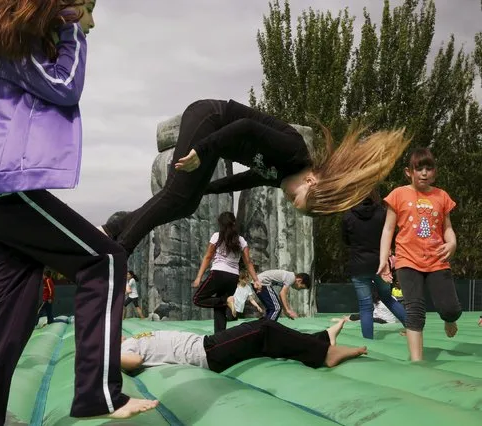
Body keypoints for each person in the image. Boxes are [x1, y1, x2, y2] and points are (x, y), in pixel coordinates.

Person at [0, 1, 157, 423]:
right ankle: (98, 394)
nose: (91, 22)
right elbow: (66, 85)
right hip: (3, 189)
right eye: (86, 9)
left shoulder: (21, 47)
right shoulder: (17, 49)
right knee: (106, 260)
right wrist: (71, 29)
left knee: (12, 315)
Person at [100, 100, 410, 255]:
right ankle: (118, 253)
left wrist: (207, 188)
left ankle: (112, 228)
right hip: (211, 118)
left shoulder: (283, 174)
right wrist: (201, 150)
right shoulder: (292, 151)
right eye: (293, 199)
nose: (287, 197)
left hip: (213, 136)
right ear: (311, 181)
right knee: (177, 197)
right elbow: (245, 127)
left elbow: (246, 180)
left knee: (185, 203)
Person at [378, 148, 462, 361]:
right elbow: (388, 229)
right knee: (414, 308)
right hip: (407, 259)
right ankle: (417, 361)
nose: (424, 173)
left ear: (435, 172)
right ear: (409, 172)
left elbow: (447, 227)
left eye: (429, 168)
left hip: (437, 260)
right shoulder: (398, 194)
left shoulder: (441, 196)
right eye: (419, 168)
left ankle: (449, 318)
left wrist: (452, 242)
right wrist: (384, 259)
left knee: (450, 308)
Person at [120, 318, 366, 374]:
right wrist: (105, 354)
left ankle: (321, 337)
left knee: (267, 341)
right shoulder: (119, 352)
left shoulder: (126, 340)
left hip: (206, 347)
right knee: (263, 328)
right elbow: (135, 362)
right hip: (206, 353)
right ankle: (326, 353)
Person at [341, 193, 406, 339]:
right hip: (381, 264)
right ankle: (411, 327)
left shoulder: (348, 216)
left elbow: (345, 239)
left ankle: (368, 340)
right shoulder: (382, 214)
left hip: (358, 266)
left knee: (365, 306)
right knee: (387, 298)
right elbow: (391, 235)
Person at [192, 212, 261, 332]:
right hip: (233, 277)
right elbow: (248, 262)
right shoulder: (241, 241)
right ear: (234, 223)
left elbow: (208, 257)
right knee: (220, 308)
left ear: (220, 224)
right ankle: (220, 337)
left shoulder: (216, 236)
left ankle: (226, 300)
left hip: (218, 273)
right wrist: (256, 280)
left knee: (197, 299)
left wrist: (199, 277)